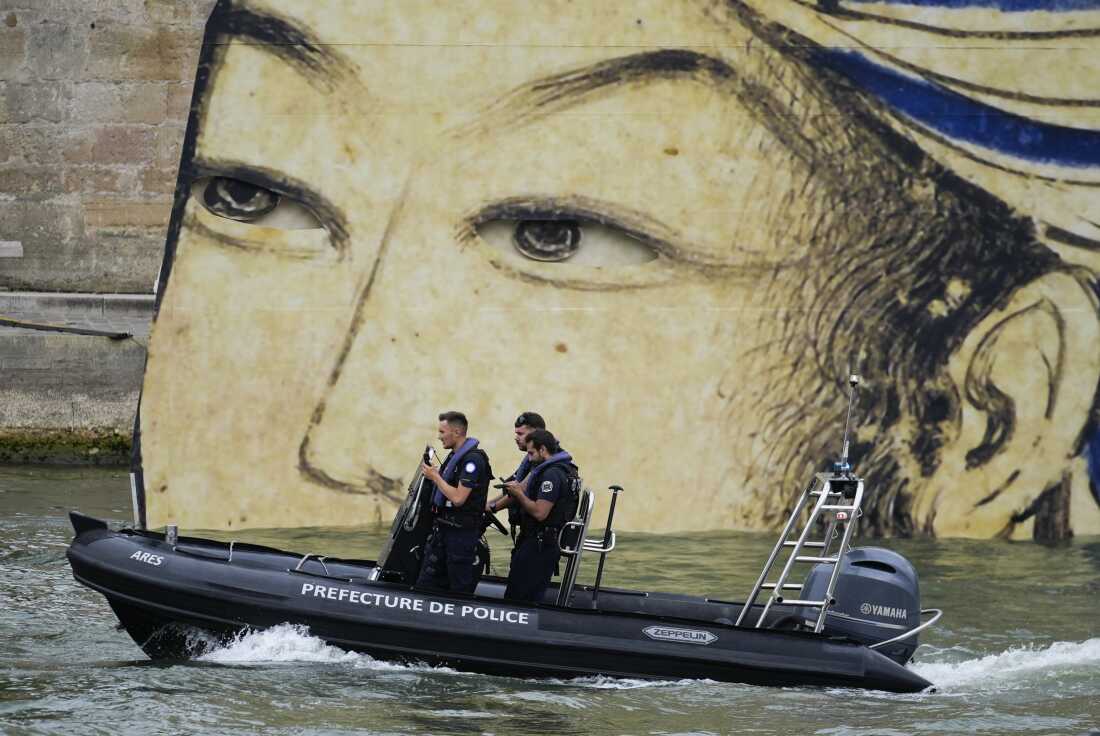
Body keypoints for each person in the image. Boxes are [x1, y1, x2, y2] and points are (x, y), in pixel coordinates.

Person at [134, 0, 1100, 542]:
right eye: (250, 196)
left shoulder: (534, 474)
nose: (335, 442)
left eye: (553, 235)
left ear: (991, 421)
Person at [415, 412, 492, 593]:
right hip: (443, 531)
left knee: (459, 586)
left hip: (461, 536)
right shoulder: (453, 456)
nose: (439, 436)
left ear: (456, 432)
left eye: (442, 432)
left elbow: (458, 498)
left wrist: (435, 476)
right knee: (426, 583)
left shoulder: (472, 460)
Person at [502, 429, 579, 602]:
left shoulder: (551, 475)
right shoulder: (559, 470)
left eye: (531, 453)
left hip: (539, 545)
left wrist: (518, 494)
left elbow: (540, 512)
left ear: (543, 450)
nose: (528, 458)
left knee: (519, 596)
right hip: (540, 543)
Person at [487, 412, 546, 540]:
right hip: (531, 531)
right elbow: (513, 487)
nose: (516, 438)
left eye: (520, 434)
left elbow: (520, 490)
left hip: (540, 536)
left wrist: (493, 507)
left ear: (535, 434)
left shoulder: (543, 459)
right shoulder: (531, 458)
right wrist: (488, 504)